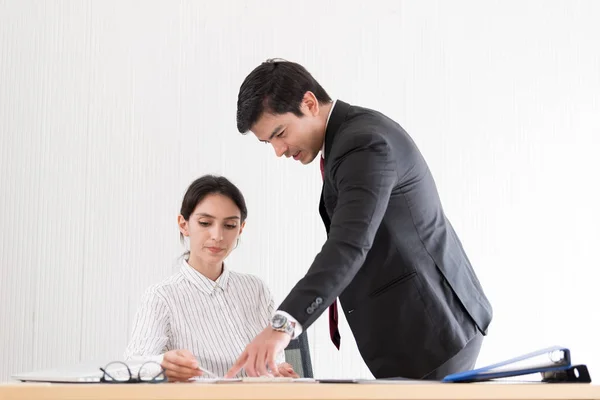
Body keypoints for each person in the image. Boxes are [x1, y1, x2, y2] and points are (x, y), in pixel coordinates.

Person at [226, 59, 493, 380]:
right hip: (420, 327)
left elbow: (349, 244)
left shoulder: (362, 143)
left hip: (433, 328)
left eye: (280, 133)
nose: (279, 151)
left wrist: (283, 325)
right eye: (268, 142)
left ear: (309, 103)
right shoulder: (349, 138)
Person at [124, 175, 298, 381]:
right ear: (184, 224)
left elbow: (273, 362)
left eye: (230, 225)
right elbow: (132, 367)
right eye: (205, 223)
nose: (217, 236)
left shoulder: (256, 289)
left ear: (241, 228)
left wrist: (279, 371)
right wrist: (161, 365)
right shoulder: (162, 296)